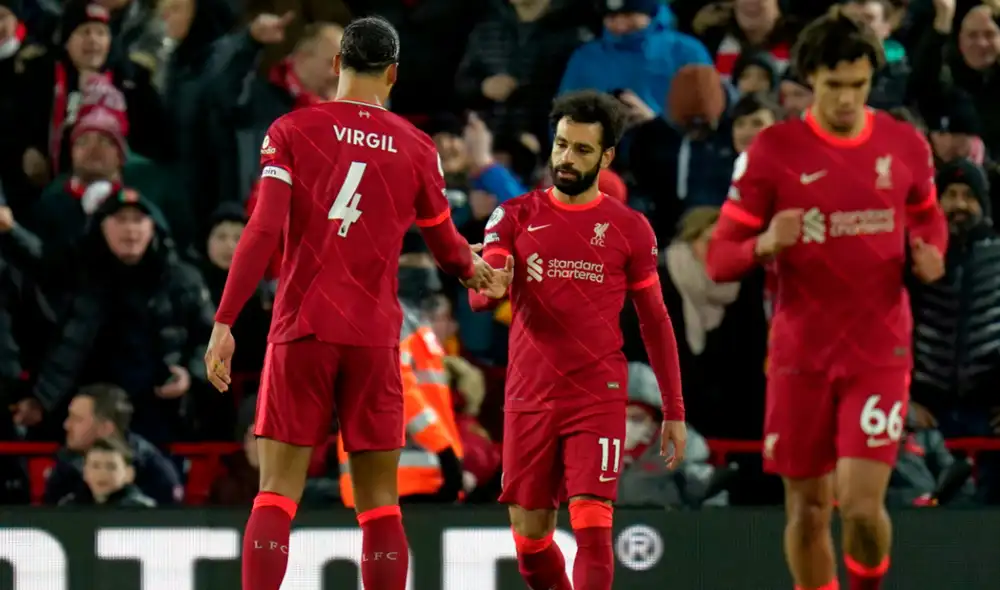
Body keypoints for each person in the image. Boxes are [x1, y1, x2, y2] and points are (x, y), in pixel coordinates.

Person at [203, 16, 506, 590]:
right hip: (373, 335)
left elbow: (263, 231)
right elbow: (446, 248)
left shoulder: (292, 130)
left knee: (276, 494)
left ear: (338, 64)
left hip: (304, 326)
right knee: (379, 505)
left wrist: (225, 320)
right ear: (392, 74)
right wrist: (480, 272)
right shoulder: (418, 149)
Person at [704, 12, 948, 590]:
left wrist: (931, 254)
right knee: (809, 512)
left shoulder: (903, 144)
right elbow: (719, 257)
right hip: (800, 357)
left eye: (858, 85)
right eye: (834, 84)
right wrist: (764, 242)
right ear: (810, 78)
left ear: (871, 81)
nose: (846, 98)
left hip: (878, 352)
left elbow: (929, 220)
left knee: (861, 508)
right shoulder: (774, 150)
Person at [469, 90, 686, 590]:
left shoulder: (630, 229)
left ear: (606, 155)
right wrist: (483, 280)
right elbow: (490, 288)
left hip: (597, 394)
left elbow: (655, 322)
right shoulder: (513, 215)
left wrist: (673, 408)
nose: (567, 158)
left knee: (592, 526)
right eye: (562, 145)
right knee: (530, 543)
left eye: (582, 150)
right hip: (530, 395)